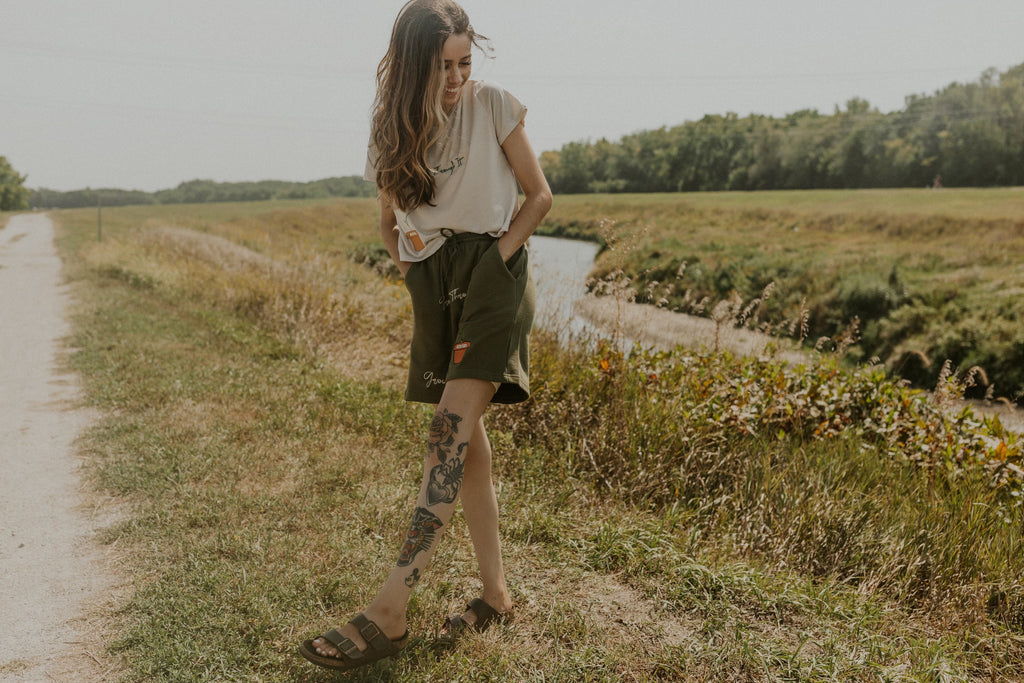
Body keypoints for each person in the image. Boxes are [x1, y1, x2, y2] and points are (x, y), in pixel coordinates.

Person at [298, 0, 552, 672]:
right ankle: (496, 595)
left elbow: (540, 195)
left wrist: (498, 260)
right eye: (444, 66)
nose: (456, 78)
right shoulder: (392, 132)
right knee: (464, 445)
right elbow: (388, 220)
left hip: (492, 274)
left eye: (465, 62)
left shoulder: (493, 104)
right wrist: (408, 264)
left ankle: (391, 605)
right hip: (435, 283)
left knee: (446, 431)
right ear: (412, 67)